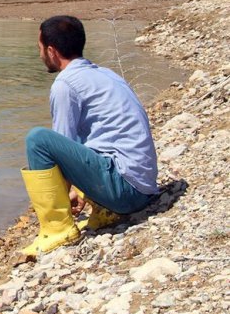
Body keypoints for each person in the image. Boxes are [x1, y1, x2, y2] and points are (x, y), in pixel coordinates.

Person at [20, 15, 159, 256]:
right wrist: (79, 190)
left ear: (52, 51)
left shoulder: (65, 84)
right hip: (143, 188)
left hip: (126, 192)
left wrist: (65, 195)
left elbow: (60, 147)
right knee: (89, 136)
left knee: (38, 139)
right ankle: (104, 210)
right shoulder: (105, 74)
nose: (40, 54)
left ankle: (57, 229)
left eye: (40, 48)